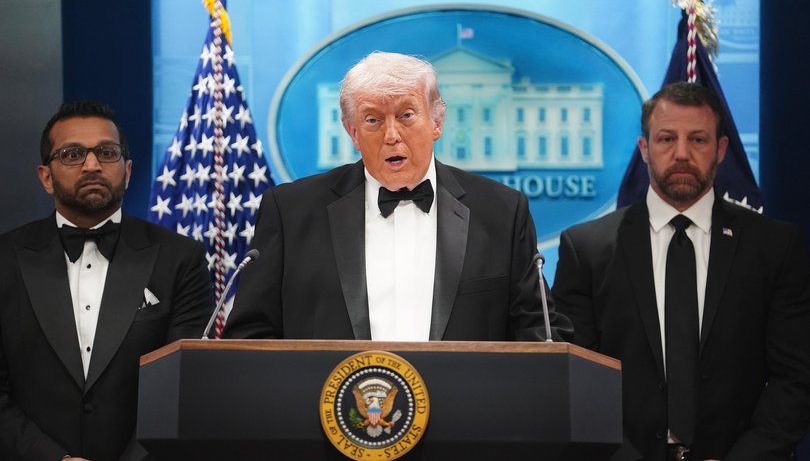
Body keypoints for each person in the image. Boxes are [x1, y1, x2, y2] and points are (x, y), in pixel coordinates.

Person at [224, 51, 572, 342]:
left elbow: (539, 333)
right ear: (353, 132)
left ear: (436, 122)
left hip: (465, 419)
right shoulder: (292, 212)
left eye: (406, 115)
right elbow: (251, 335)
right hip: (324, 417)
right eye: (373, 120)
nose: (392, 135)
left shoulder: (500, 212)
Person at [551, 82, 810, 461]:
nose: (682, 153)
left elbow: (796, 377)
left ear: (721, 150)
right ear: (645, 148)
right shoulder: (587, 248)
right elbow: (578, 380)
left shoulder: (773, 247)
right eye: (667, 139)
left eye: (699, 140)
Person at [0, 101, 212, 461]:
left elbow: (181, 387)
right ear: (46, 176)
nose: (93, 164)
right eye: (72, 154)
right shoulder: (5, 259)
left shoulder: (181, 258)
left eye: (107, 152)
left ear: (127, 171)